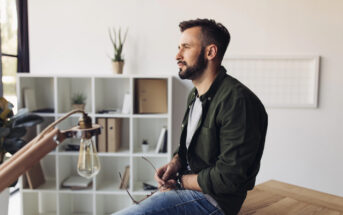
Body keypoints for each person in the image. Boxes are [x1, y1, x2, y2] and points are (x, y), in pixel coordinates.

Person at [113, 18, 268, 215]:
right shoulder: (194, 95)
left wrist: (179, 181)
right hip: (188, 190)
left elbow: (229, 178)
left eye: (185, 47)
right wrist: (175, 163)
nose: (177, 55)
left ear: (210, 52)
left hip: (214, 201)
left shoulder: (238, 101)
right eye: (178, 47)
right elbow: (190, 147)